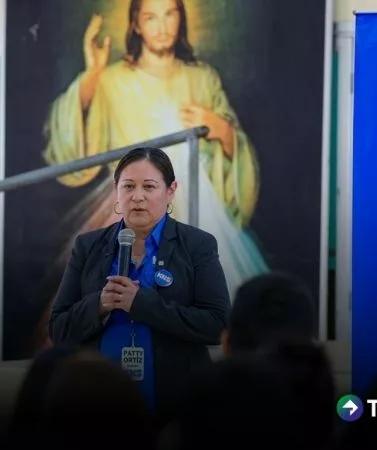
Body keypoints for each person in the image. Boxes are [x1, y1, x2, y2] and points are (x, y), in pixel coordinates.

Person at [42, 0, 268, 298]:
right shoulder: (113, 80)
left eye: (169, 15)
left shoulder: (202, 78)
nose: (161, 27)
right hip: (135, 208)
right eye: (151, 17)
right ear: (136, 24)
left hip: (201, 208)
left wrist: (220, 128)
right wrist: (93, 75)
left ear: (181, 18)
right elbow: (74, 150)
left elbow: (234, 151)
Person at [49, 147, 231, 427]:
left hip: (175, 400)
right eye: (128, 186)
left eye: (149, 186)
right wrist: (98, 304)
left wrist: (142, 304)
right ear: (116, 190)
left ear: (171, 191)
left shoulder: (197, 245)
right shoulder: (88, 246)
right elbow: (59, 328)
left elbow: (216, 325)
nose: (137, 197)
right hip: (97, 400)